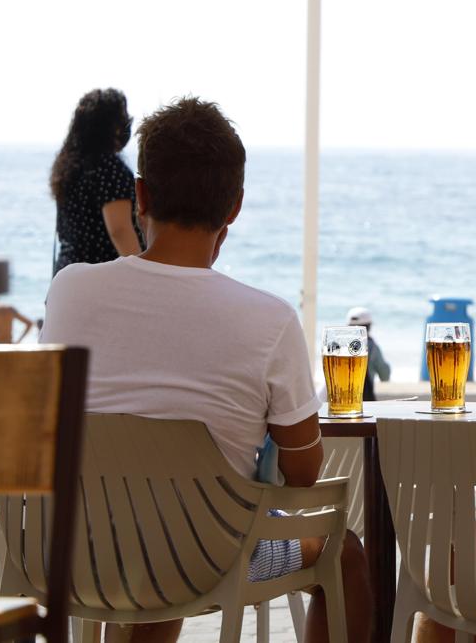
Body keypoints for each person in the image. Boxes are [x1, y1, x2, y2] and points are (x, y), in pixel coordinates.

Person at [39, 97, 371, 643]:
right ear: (235, 206)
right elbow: (304, 475)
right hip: (206, 560)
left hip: (75, 546)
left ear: (141, 194)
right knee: (346, 552)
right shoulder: (269, 319)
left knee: (151, 529)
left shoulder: (69, 288)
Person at [50, 88, 144, 275]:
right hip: (101, 277)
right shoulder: (110, 169)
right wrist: (145, 275)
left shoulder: (69, 166)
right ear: (112, 127)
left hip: (67, 275)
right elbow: (119, 230)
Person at [347, 306, 391, 401]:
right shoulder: (372, 346)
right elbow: (384, 375)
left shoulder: (342, 345)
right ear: (369, 326)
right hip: (365, 398)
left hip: (343, 396)